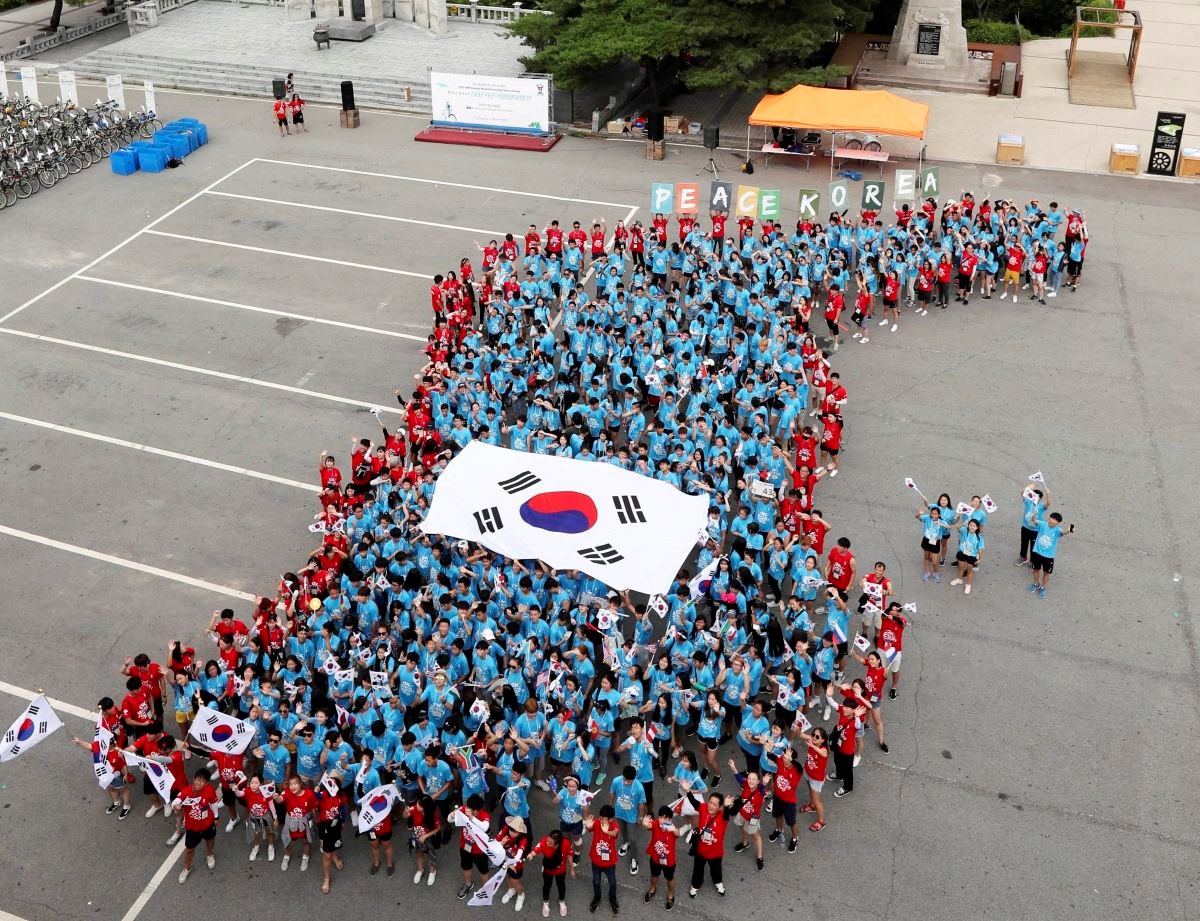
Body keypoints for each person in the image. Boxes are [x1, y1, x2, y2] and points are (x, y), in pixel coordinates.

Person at [686, 790, 738, 898]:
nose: (711, 806)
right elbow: (694, 802)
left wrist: (727, 806)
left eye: (715, 804)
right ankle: (695, 885)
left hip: (715, 853)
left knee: (716, 870)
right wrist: (688, 791)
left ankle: (718, 882)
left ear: (720, 807)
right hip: (700, 850)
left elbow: (727, 814)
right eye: (710, 802)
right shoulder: (704, 807)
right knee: (697, 870)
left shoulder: (723, 816)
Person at [174, 767, 219, 884]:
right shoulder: (186, 791)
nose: (199, 783)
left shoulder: (209, 790)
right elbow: (177, 800)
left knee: (210, 839)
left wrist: (216, 817)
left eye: (202, 781)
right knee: (189, 849)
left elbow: (214, 803)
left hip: (208, 823)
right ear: (194, 780)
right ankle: (187, 868)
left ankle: (210, 854)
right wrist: (176, 806)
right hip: (192, 827)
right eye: (197, 779)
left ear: (206, 783)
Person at [641, 805, 685, 909]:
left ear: (670, 819)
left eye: (665, 818)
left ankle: (670, 894)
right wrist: (644, 823)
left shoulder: (672, 829)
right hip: (655, 859)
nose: (662, 820)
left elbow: (678, 834)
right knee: (654, 875)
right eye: (660, 817)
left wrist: (674, 830)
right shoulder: (656, 824)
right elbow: (648, 826)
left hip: (669, 862)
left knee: (669, 878)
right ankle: (652, 888)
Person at [726, 758, 765, 871]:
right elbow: (739, 778)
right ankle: (745, 843)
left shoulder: (760, 791)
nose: (751, 781)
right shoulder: (746, 784)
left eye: (754, 779)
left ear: (758, 782)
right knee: (741, 827)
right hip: (742, 813)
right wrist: (734, 768)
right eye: (749, 778)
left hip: (753, 818)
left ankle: (760, 857)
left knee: (756, 837)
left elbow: (762, 788)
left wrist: (765, 783)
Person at [1028, 511, 1075, 599]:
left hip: (1048, 557)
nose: (1052, 521)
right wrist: (1034, 515)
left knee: (1046, 573)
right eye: (1051, 518)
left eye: (1055, 520)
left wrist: (1069, 530)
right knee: (1036, 570)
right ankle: (1036, 583)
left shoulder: (1057, 530)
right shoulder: (1042, 524)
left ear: (1058, 522)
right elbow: (1034, 521)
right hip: (1037, 553)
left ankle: (1042, 587)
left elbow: (1063, 532)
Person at [583, 804, 620, 914]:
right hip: (596, 861)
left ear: (610, 819)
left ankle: (612, 897)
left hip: (609, 863)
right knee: (596, 881)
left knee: (612, 882)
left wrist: (606, 831)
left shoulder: (614, 825)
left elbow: (615, 833)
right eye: (601, 817)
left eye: (605, 819)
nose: (602, 820)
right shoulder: (597, 823)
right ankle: (597, 897)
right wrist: (587, 825)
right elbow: (589, 827)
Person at [530, 827, 575, 917]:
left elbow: (569, 855)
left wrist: (572, 869)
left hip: (560, 871)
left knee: (561, 886)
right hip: (547, 870)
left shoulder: (566, 843)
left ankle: (562, 902)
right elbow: (536, 850)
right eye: (548, 839)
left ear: (557, 845)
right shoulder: (544, 842)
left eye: (551, 843)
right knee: (547, 886)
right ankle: (545, 903)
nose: (547, 843)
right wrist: (531, 855)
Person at [950, 518, 985, 594]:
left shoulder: (979, 537)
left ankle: (968, 585)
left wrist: (979, 558)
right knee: (960, 567)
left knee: (969, 571)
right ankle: (959, 579)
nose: (971, 527)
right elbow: (957, 527)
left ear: (977, 527)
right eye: (970, 525)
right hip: (962, 552)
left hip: (971, 556)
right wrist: (963, 524)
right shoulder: (964, 530)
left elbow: (981, 549)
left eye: (974, 526)